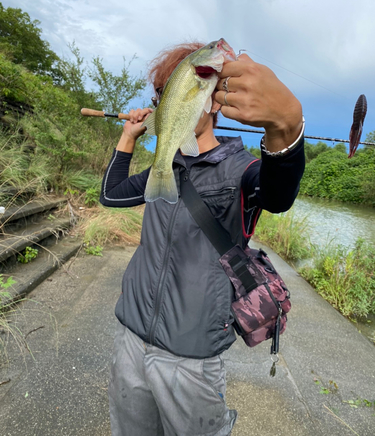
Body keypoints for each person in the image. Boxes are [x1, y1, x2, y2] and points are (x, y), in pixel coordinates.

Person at [100, 42, 305, 436]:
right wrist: (128, 137)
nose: (165, 102)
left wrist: (286, 128)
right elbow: (111, 195)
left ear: (213, 101)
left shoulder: (242, 171)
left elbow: (278, 196)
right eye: (161, 96)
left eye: (174, 91)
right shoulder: (165, 168)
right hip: (131, 338)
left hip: (192, 357)